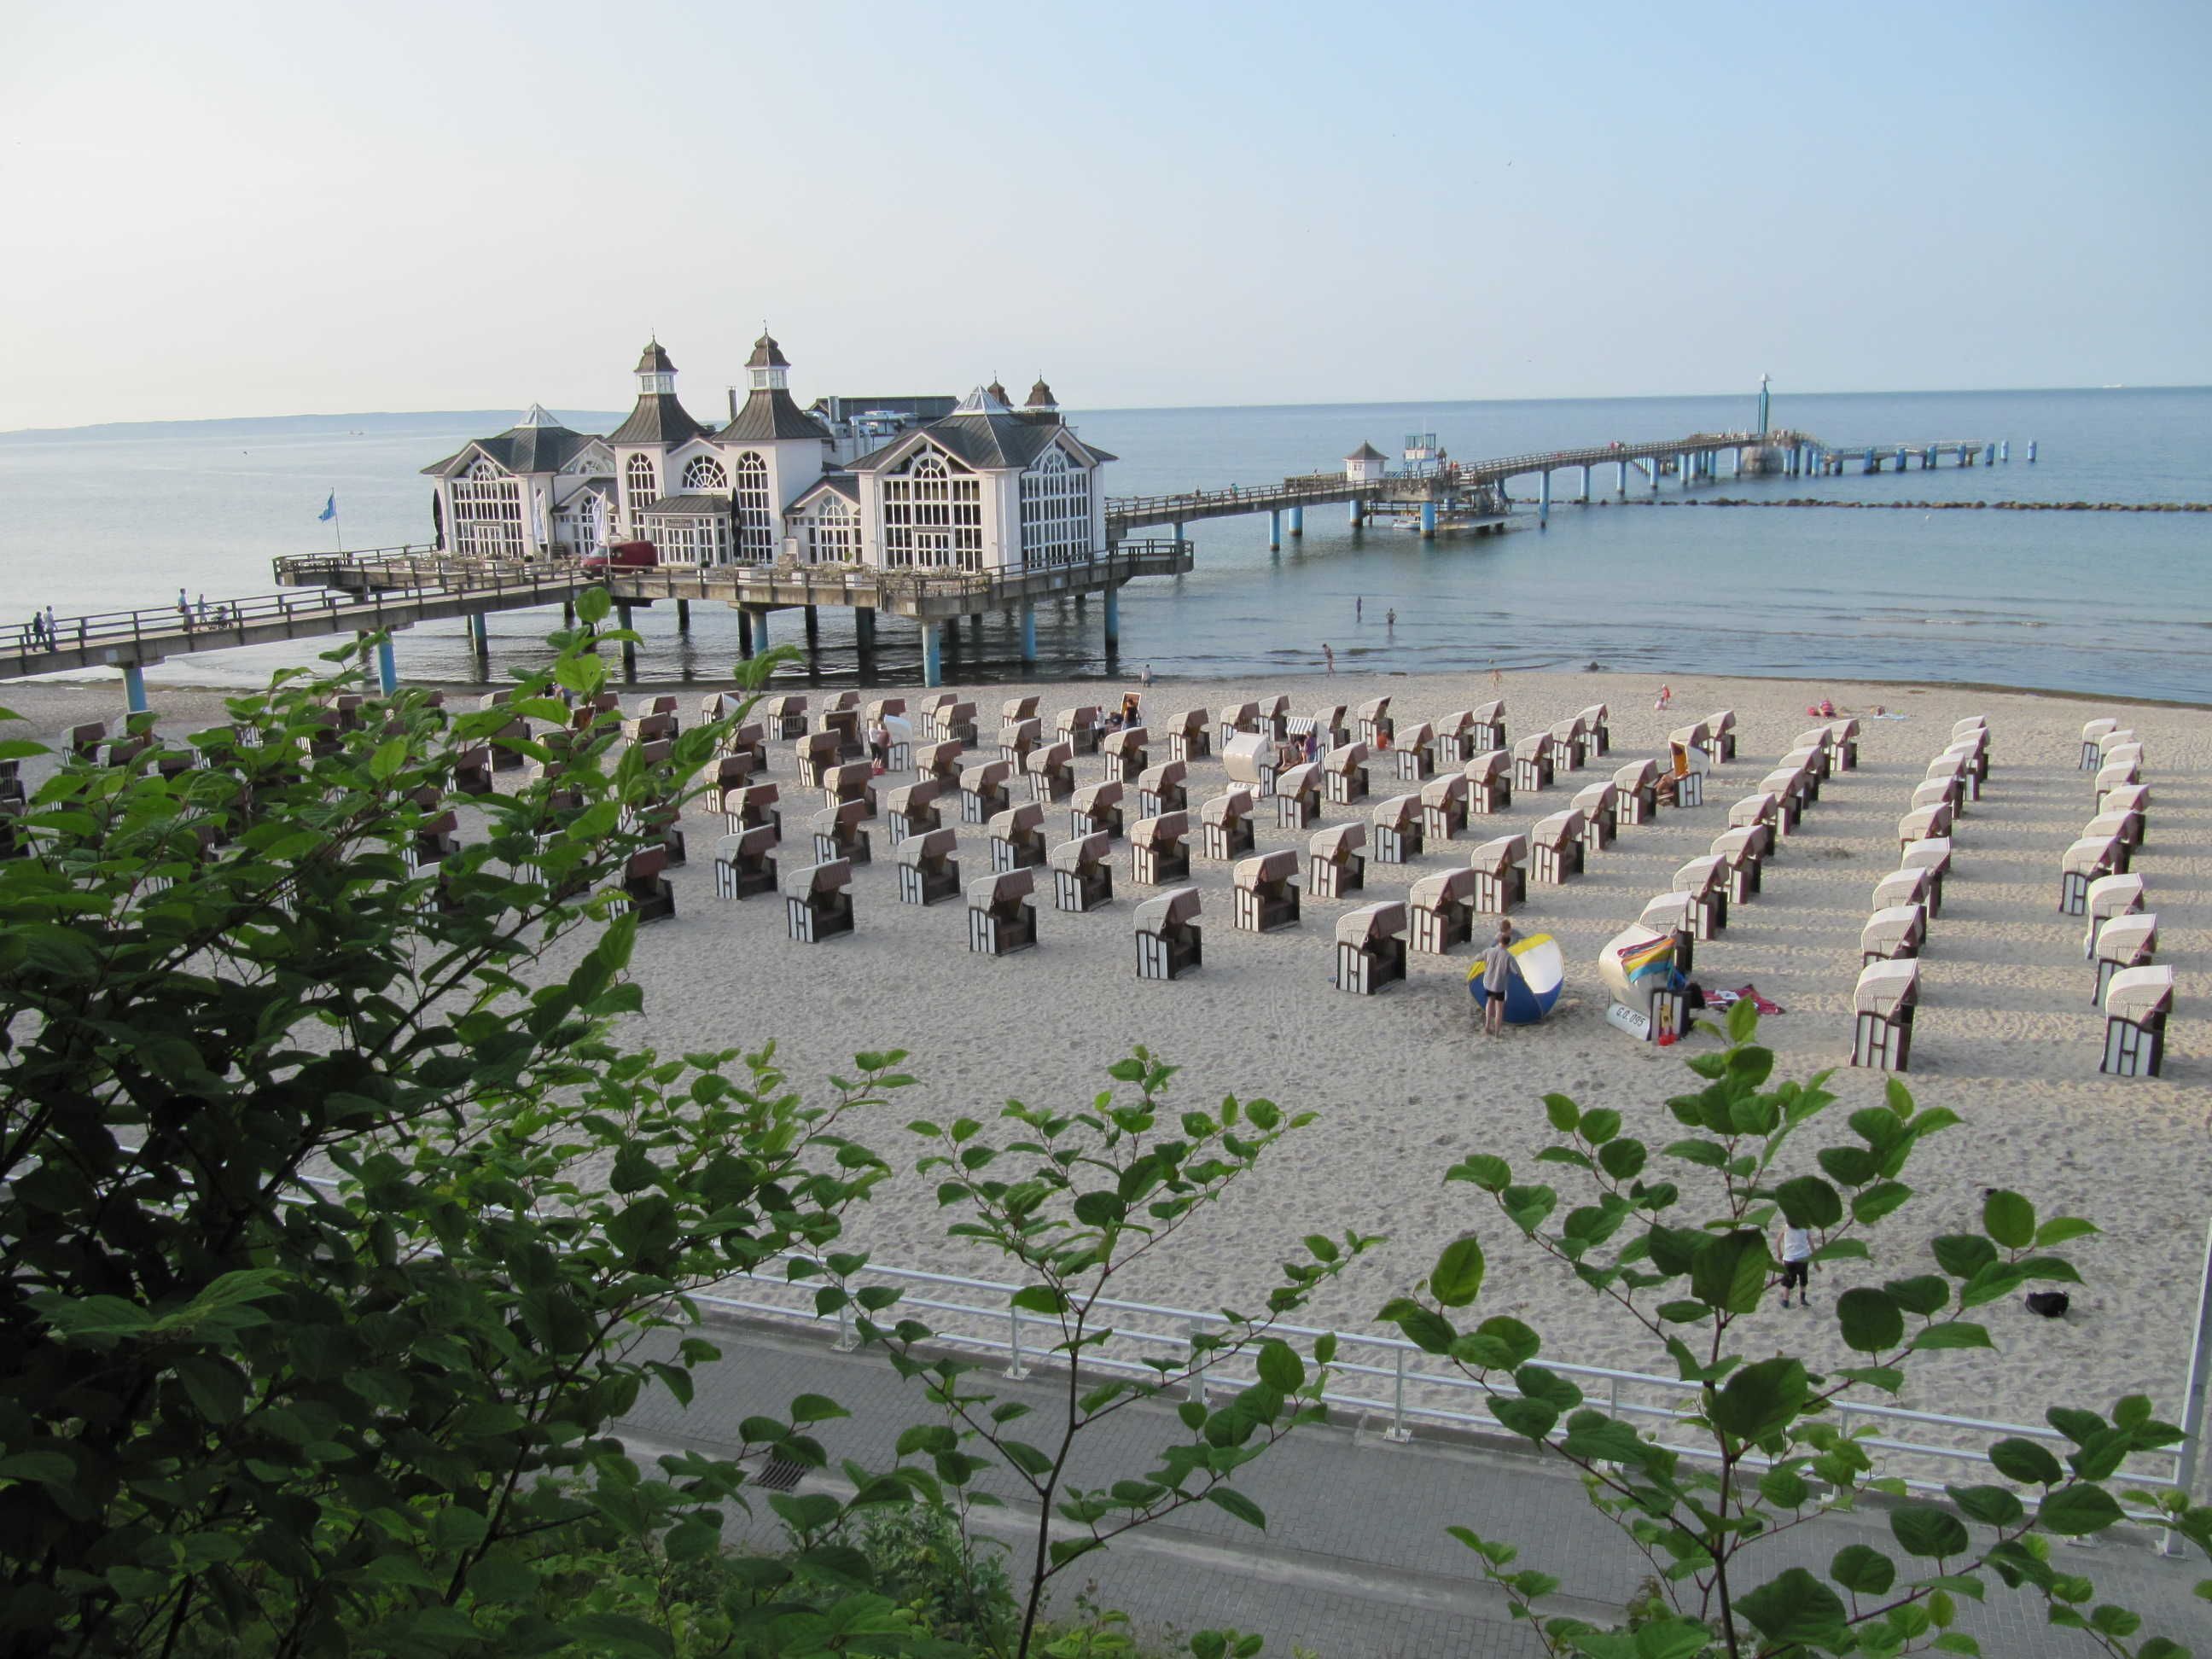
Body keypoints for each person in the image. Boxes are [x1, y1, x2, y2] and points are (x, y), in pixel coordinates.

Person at [1479, 922, 1517, 1038]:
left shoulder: (1489, 951)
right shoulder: (1508, 956)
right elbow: (1515, 971)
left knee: (1489, 1003)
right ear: (1508, 944)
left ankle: (1487, 1026)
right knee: (1499, 1008)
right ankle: (1497, 1033)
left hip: (1489, 983)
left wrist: (1486, 962)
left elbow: (1477, 958)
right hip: (1499, 985)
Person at [1775, 1217, 1815, 1307]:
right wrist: (1814, 1254)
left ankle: (1786, 1300)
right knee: (1803, 1278)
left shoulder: (1786, 1228)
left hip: (1789, 1259)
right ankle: (1802, 1299)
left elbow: (1777, 1241)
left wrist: (1779, 1253)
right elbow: (1811, 1242)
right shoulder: (1805, 1228)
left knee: (1788, 1280)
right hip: (1803, 1258)